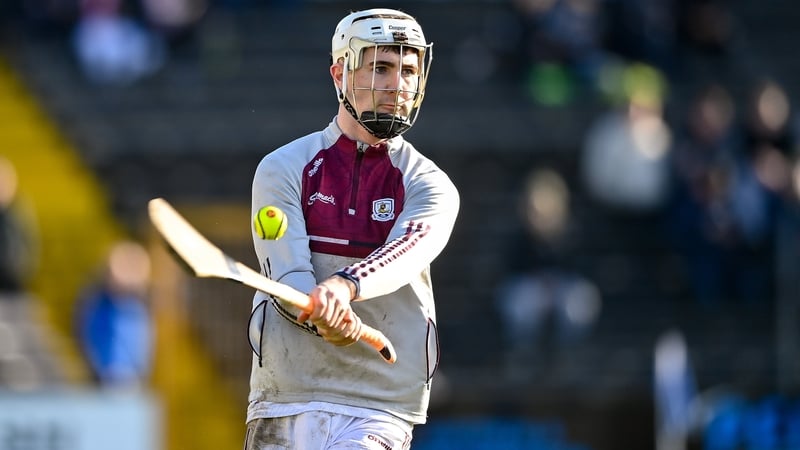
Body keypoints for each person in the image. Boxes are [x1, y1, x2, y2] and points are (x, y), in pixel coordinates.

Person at [244, 8, 460, 449]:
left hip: (378, 403)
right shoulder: (282, 169)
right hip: (285, 396)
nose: (397, 85)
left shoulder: (430, 184)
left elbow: (408, 250)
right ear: (340, 72)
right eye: (380, 67)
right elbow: (287, 275)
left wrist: (344, 288)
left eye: (408, 70)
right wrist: (322, 316)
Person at [75, 240, 153, 389]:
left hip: (133, 381)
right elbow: (85, 337)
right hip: (102, 380)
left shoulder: (138, 309)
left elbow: (144, 347)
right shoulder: (96, 304)